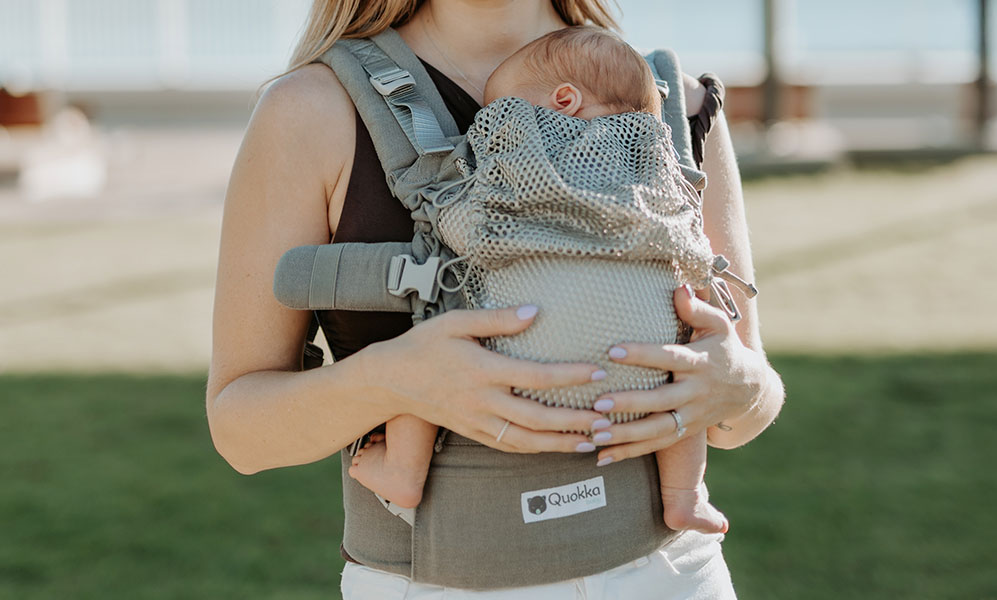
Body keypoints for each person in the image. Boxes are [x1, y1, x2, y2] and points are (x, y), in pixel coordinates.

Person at [206, 0, 785, 597]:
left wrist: (738, 386)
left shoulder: (665, 99)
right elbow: (240, 431)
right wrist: (397, 379)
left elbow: (748, 403)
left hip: (671, 578)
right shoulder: (310, 112)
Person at [347, 25, 729, 535]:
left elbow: (464, 224)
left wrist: (443, 224)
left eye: (495, 111)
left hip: (520, 371)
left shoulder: (525, 156)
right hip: (650, 379)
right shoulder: (659, 170)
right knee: (692, 352)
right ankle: (686, 495)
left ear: (563, 100)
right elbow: (696, 254)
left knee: (426, 349)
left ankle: (402, 472)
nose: (485, 123)